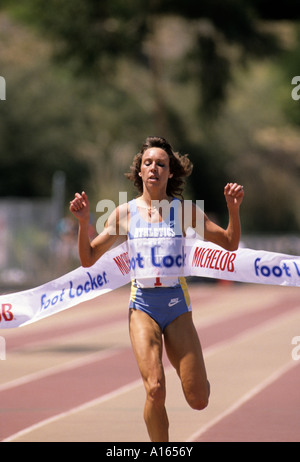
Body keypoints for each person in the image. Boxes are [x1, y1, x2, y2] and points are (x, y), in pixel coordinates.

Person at [69, 136, 244, 442]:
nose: (154, 168)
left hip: (177, 306)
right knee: (155, 388)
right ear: (139, 171)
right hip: (143, 306)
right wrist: (84, 223)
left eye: (161, 164)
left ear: (170, 173)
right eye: (148, 163)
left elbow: (229, 243)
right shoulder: (124, 214)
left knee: (198, 398)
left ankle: (198, 378)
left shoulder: (185, 211)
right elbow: (88, 258)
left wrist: (233, 208)